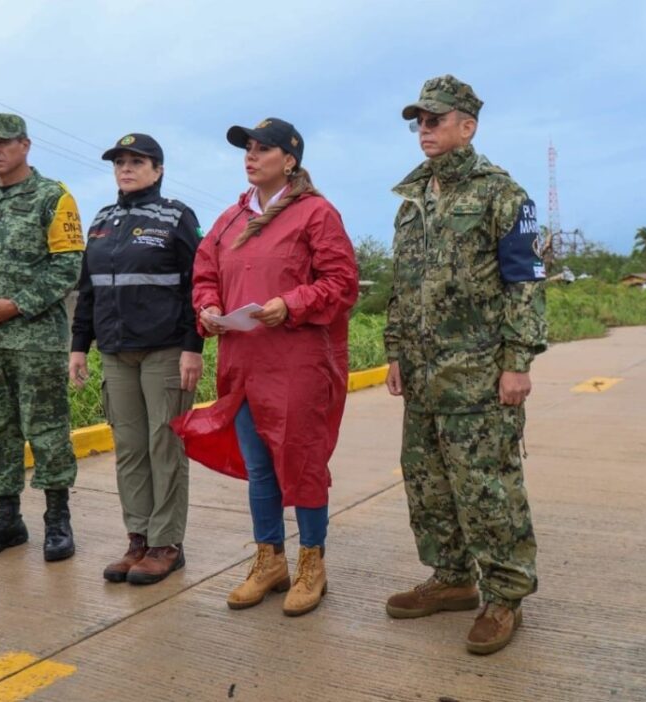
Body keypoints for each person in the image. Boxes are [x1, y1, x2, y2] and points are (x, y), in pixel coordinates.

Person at [383, 75, 547, 655]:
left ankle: (505, 597)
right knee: (428, 484)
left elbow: (524, 283)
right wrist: (396, 351)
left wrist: (517, 361)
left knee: (488, 487)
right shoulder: (412, 201)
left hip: (479, 374)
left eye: (434, 120)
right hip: (424, 377)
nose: (424, 130)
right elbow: (403, 286)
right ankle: (452, 579)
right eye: (418, 122)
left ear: (466, 125)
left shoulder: (503, 194)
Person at [173, 118, 358, 617]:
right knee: (260, 470)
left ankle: (311, 563)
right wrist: (208, 308)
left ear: (290, 159)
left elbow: (342, 281)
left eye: (262, 149)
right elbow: (205, 272)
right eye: (247, 149)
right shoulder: (232, 219)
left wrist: (291, 303)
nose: (250, 157)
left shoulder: (315, 214)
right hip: (243, 361)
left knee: (302, 462)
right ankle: (269, 559)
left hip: (296, 362)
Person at [0, 113, 84, 563]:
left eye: (1, 143)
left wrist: (16, 304)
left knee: (46, 430)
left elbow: (67, 267)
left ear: (25, 144)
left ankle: (57, 520)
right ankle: (7, 520)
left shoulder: (54, 197)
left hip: (35, 339)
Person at [69, 133, 203, 585]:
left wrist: (193, 347)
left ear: (158, 169)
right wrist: (77, 346)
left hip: (164, 350)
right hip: (115, 352)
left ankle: (167, 545)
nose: (126, 168)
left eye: (137, 161)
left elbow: (196, 287)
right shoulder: (103, 221)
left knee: (164, 447)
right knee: (129, 449)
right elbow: (88, 291)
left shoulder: (177, 216)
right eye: (119, 162)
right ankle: (138, 540)